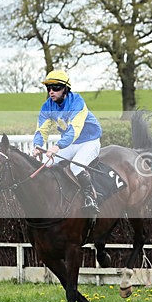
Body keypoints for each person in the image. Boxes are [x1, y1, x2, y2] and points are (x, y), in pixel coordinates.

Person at [32, 69, 103, 214]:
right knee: (48, 163)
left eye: (56, 87)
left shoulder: (77, 102)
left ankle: (90, 198)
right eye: (48, 88)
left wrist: (57, 146)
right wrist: (38, 146)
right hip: (72, 144)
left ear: (65, 88)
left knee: (75, 167)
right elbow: (42, 129)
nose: (51, 91)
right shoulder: (47, 106)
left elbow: (74, 130)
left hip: (89, 141)